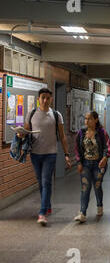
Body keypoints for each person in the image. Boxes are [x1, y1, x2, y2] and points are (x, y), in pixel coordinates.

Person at [21, 88, 71, 226]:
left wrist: (67, 155)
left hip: (50, 153)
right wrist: (20, 134)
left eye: (47, 98)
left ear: (51, 99)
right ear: (38, 99)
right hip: (35, 154)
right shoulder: (31, 114)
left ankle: (42, 213)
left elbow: (62, 136)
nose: (45, 100)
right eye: (43, 97)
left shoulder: (56, 115)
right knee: (41, 182)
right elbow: (26, 131)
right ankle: (47, 206)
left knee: (46, 181)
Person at [73, 111, 110, 223]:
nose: (87, 121)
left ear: (95, 120)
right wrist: (79, 162)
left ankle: (100, 205)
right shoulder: (81, 133)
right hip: (86, 164)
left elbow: (107, 146)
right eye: (85, 118)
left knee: (97, 186)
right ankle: (82, 213)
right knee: (85, 187)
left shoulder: (101, 132)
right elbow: (77, 149)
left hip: (98, 164)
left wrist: (105, 157)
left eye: (89, 118)